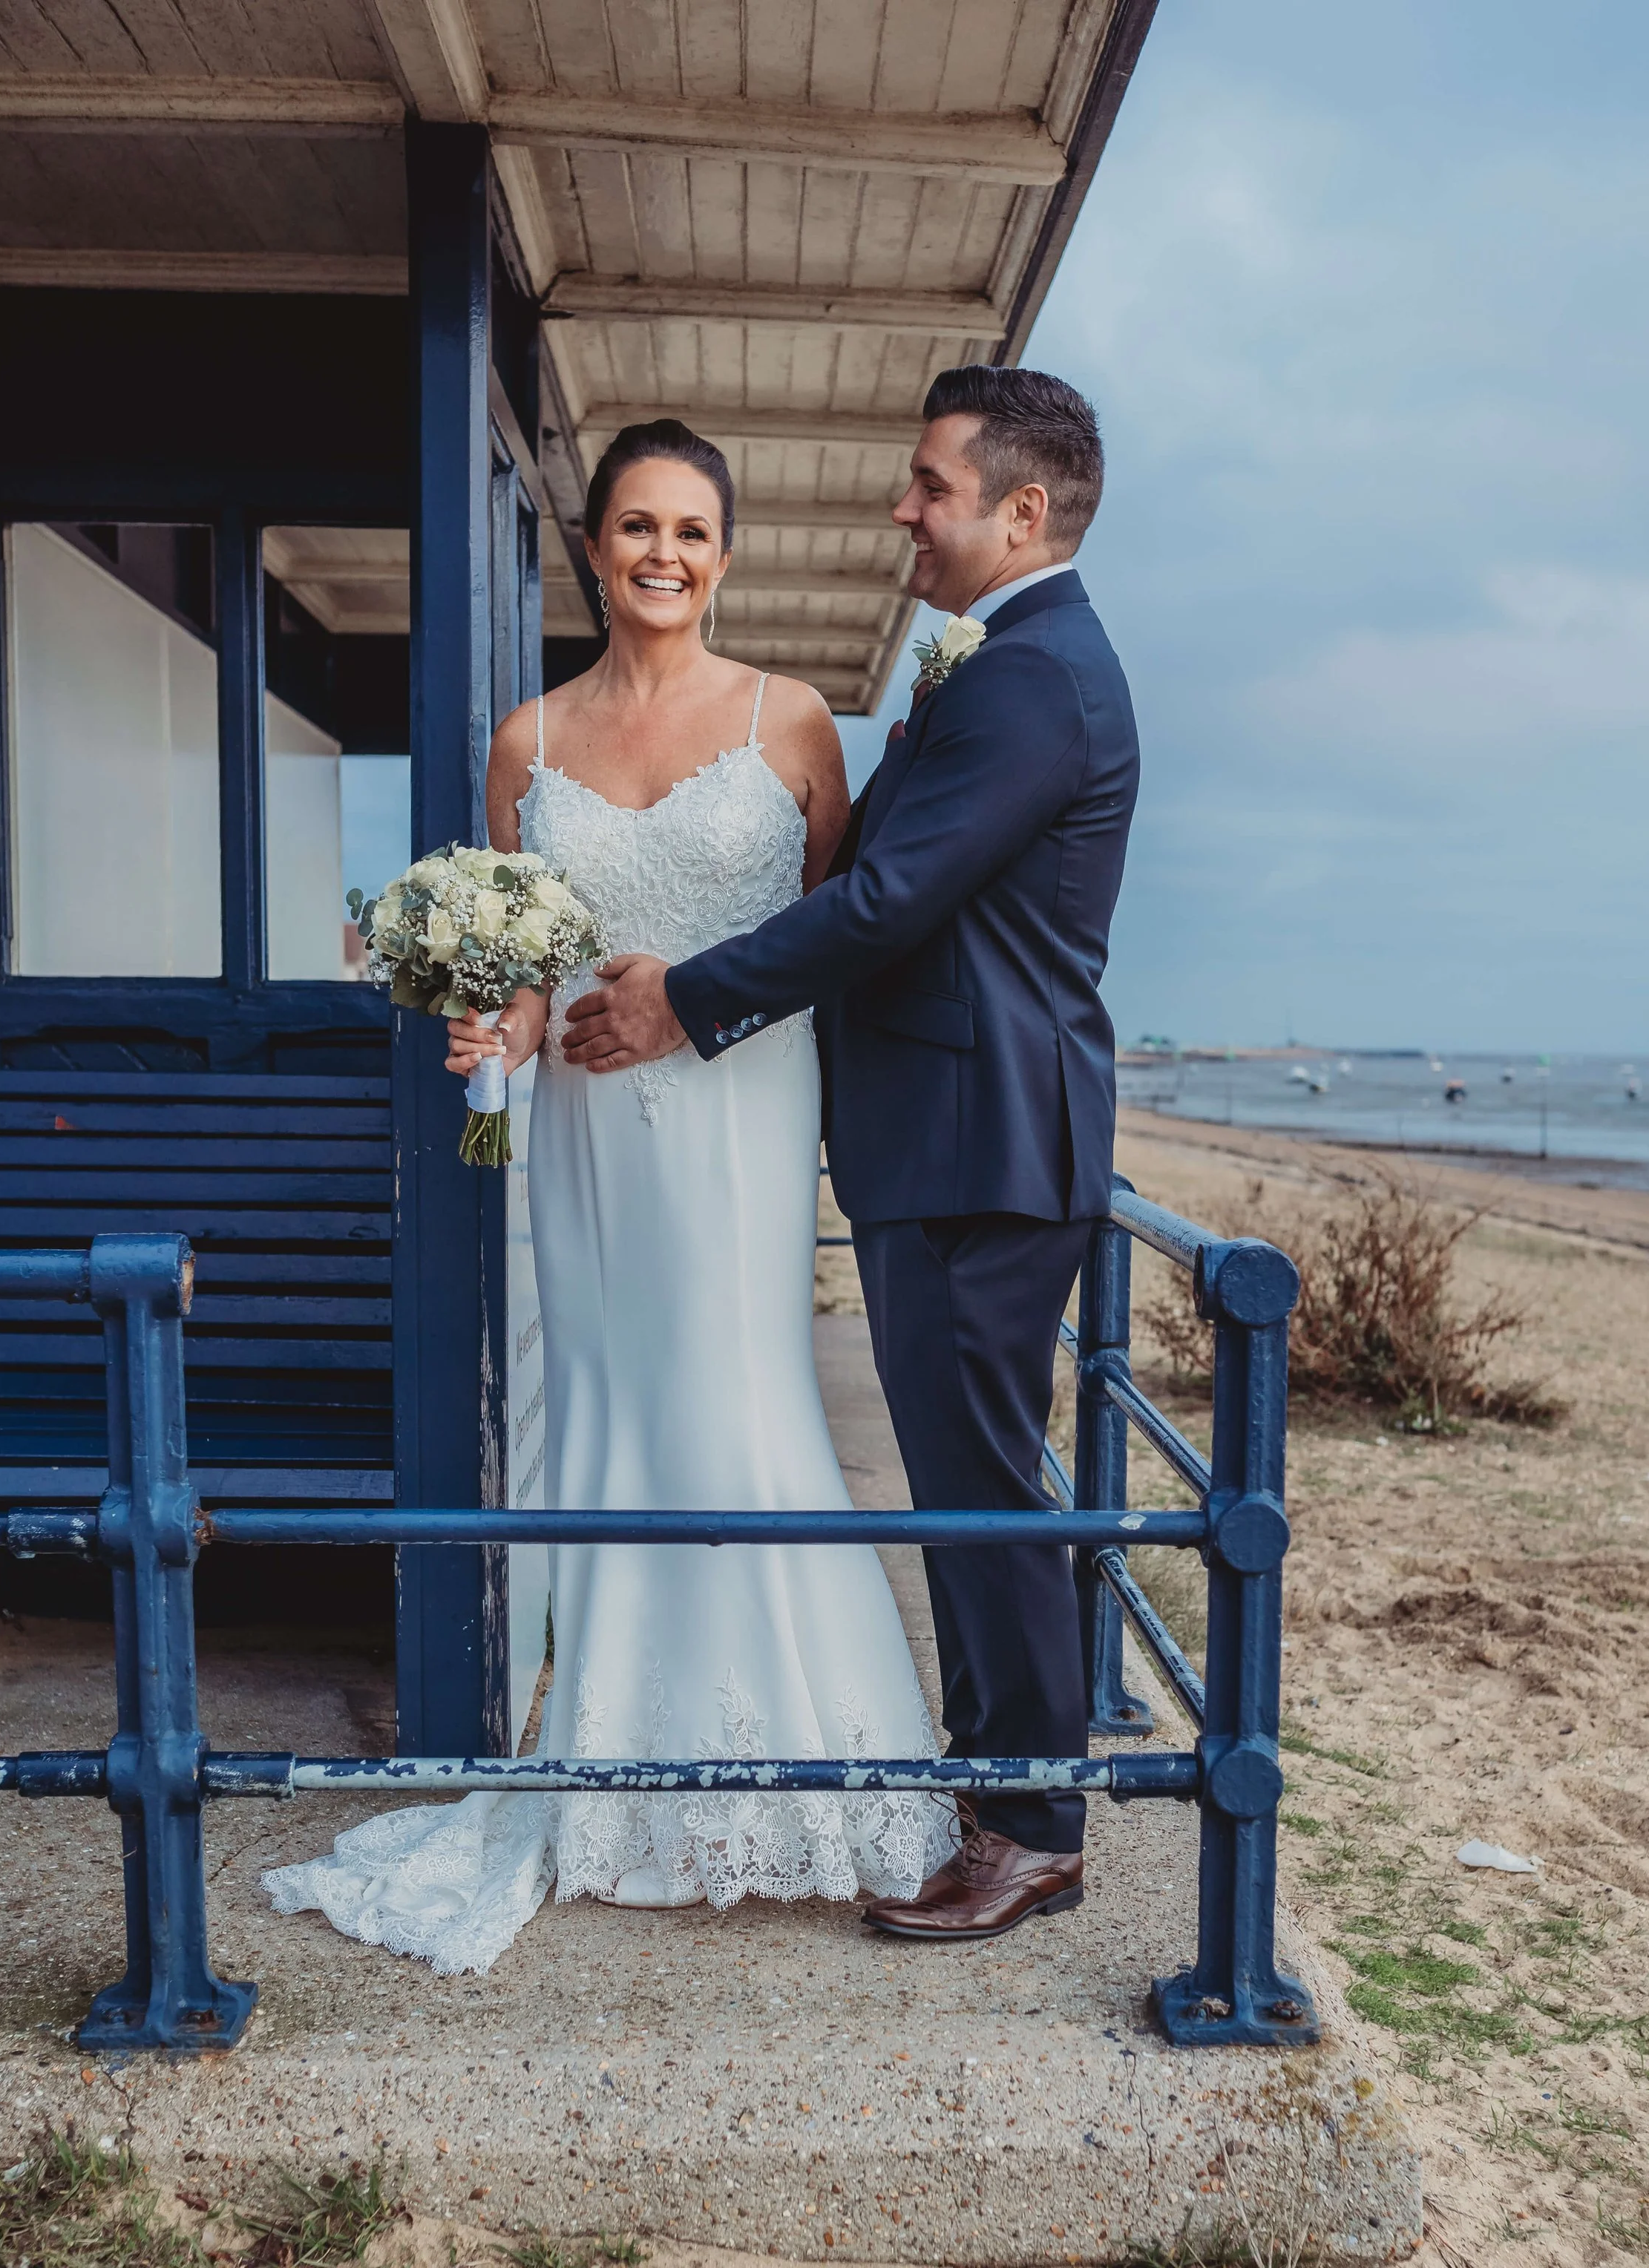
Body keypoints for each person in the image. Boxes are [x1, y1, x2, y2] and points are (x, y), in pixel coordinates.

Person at [264, 421, 954, 1973]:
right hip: (577, 1128)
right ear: (591, 546)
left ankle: (786, 1772)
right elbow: (532, 965)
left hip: (736, 1116)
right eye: (637, 526)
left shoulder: (791, 726)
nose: (664, 555)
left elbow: (836, 935)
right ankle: (607, 1776)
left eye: (692, 531)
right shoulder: (524, 741)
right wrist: (492, 1026)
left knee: (735, 1394)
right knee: (606, 1407)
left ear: (725, 550)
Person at [565, 367, 1139, 1942]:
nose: (902, 508)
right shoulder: (1007, 664)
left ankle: (1030, 1824)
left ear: (1020, 511)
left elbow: (887, 903)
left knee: (983, 1496)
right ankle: (1002, 1790)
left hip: (980, 1143)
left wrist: (685, 995)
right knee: (967, 1485)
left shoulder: (1032, 680)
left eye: (928, 485)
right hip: (953, 1139)